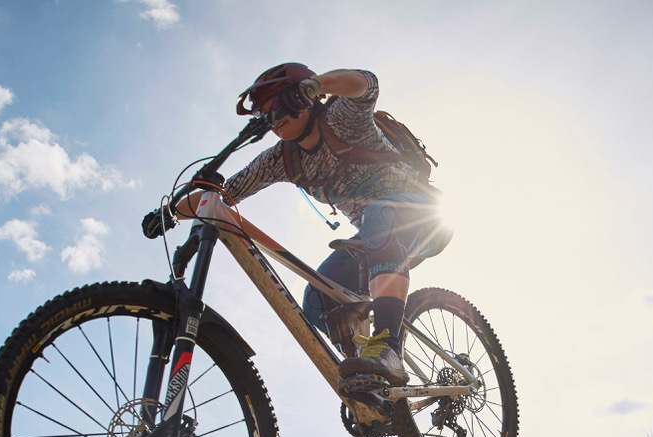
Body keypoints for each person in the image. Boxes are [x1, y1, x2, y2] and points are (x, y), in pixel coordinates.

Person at [147, 63, 451, 388]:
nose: (274, 118)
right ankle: (369, 378)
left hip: (422, 217)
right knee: (316, 299)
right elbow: (226, 193)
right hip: (374, 237)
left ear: (303, 99)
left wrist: (317, 84)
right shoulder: (281, 159)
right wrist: (171, 213)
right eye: (265, 113)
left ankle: (387, 347)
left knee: (378, 216)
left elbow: (367, 84)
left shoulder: (340, 119)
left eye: (278, 104)